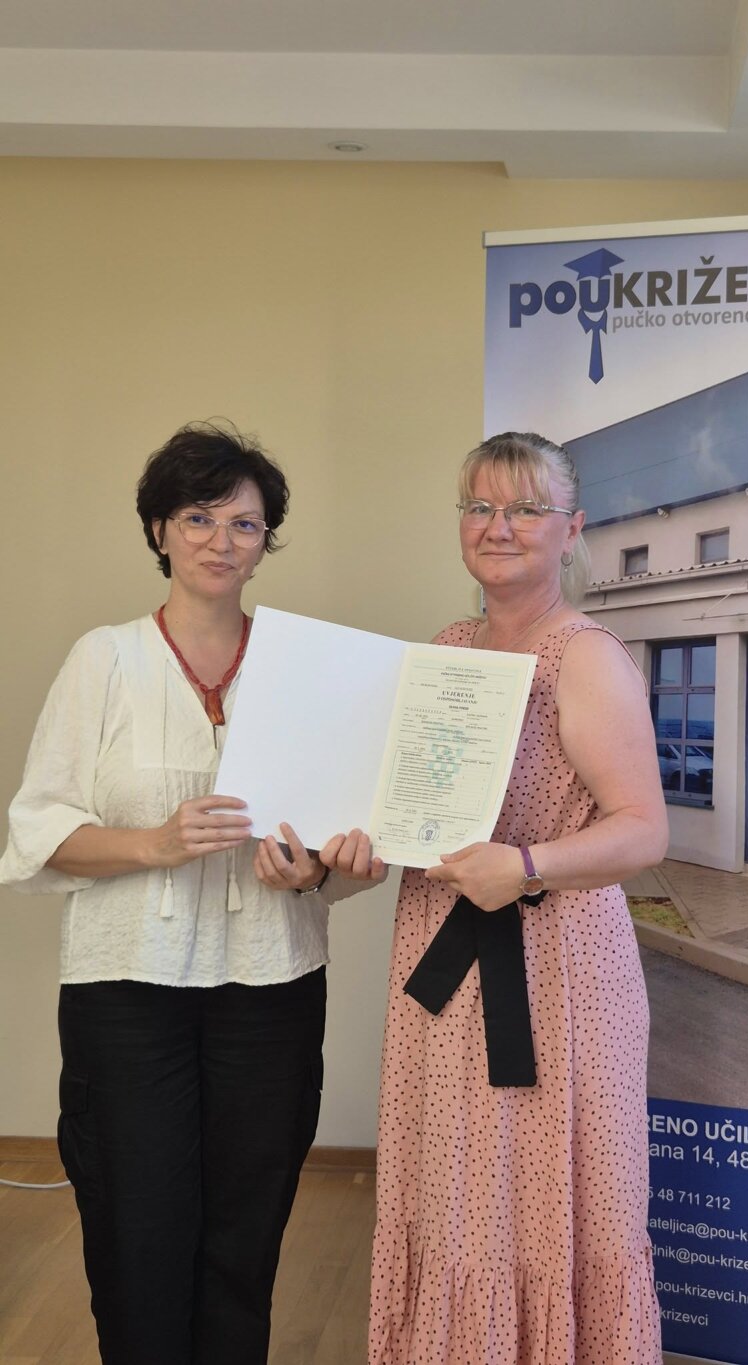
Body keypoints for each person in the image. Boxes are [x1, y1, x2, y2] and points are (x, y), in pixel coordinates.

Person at [0, 420, 386, 1365]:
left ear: (265, 541)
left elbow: (341, 842)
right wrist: (155, 842)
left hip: (272, 987)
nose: (221, 540)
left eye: (245, 523)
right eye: (199, 517)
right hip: (127, 994)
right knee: (138, 1234)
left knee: (246, 1238)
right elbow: (38, 829)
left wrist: (318, 870)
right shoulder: (104, 659)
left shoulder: (304, 670)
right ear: (160, 530)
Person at [369, 432, 669, 1364]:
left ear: (571, 529)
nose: (497, 526)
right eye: (479, 506)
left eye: (526, 508)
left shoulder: (585, 656)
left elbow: (644, 830)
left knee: (543, 1206)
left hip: (556, 972)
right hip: (443, 966)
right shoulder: (447, 647)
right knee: (453, 1200)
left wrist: (526, 864)